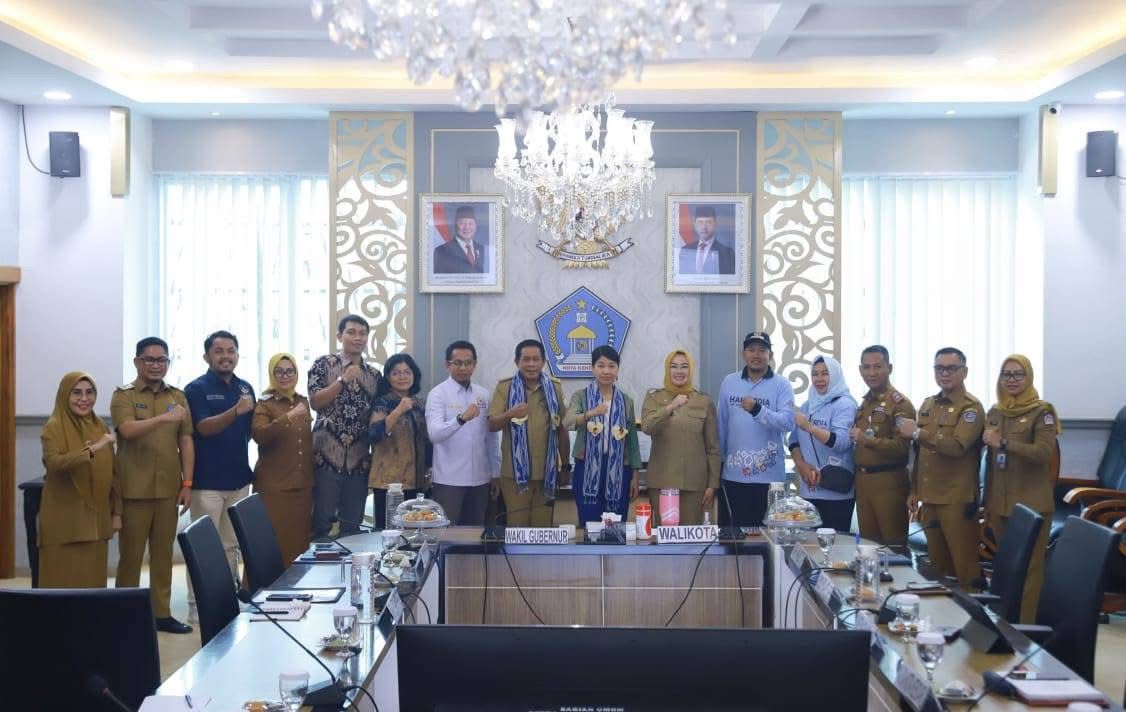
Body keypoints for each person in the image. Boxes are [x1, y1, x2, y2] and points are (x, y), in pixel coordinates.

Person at [112, 337, 195, 634]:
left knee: (163, 557)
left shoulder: (178, 396)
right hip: (134, 489)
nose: (156, 365)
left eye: (162, 360)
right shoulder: (124, 395)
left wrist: (187, 482)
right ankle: (123, 615)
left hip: (168, 490)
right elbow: (127, 429)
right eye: (149, 359)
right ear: (137, 362)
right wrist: (164, 418)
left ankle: (161, 614)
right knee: (131, 558)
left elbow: (185, 439)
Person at [897, 347, 985, 585]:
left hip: (956, 498)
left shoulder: (971, 408)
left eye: (951, 368)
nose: (944, 373)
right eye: (939, 368)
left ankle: (973, 608)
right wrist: (914, 490)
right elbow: (920, 453)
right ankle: (943, 607)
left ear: (964, 372)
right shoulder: (929, 404)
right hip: (930, 497)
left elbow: (957, 447)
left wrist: (918, 432)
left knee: (964, 565)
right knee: (937, 566)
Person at [983, 354, 1059, 622]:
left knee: (1030, 570)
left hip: (1032, 504)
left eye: (1018, 374)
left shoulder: (1042, 412)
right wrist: (986, 501)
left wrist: (1005, 443)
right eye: (1007, 374)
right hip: (1000, 504)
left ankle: (1026, 629)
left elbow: (1043, 453)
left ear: (1029, 377)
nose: (1012, 380)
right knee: (1006, 566)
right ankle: (1006, 623)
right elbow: (990, 463)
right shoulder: (996, 411)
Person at [184, 330, 255, 616]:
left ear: (237, 355)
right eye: (219, 351)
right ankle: (197, 605)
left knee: (230, 545)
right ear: (207, 356)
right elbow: (203, 428)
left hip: (239, 479)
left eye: (230, 351)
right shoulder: (196, 389)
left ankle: (226, 602)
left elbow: (249, 432)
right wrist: (235, 411)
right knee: (203, 546)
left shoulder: (245, 388)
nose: (226, 356)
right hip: (207, 483)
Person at [39, 372, 121, 588]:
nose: (84, 399)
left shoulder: (100, 426)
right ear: (65, 395)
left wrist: (117, 513)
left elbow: (113, 473)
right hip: (64, 522)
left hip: (97, 522)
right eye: (76, 393)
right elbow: (54, 464)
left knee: (92, 586)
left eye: (89, 392)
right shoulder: (53, 427)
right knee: (60, 586)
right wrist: (93, 449)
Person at [308, 315, 382, 540]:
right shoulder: (323, 364)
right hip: (325, 458)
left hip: (359, 460)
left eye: (363, 333)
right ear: (340, 336)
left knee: (352, 527)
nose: (358, 338)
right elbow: (315, 402)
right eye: (351, 332)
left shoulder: (374, 375)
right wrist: (342, 380)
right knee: (321, 525)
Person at [488, 339, 569, 527]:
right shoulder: (505, 388)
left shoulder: (554, 388)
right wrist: (510, 414)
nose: (531, 364)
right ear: (517, 362)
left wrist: (565, 466)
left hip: (547, 474)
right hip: (514, 476)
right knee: (517, 527)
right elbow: (492, 425)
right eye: (526, 359)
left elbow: (561, 429)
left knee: (542, 529)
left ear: (543, 362)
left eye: (536, 359)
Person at [717, 332, 795, 527]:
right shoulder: (729, 382)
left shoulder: (782, 385)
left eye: (762, 350)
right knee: (732, 537)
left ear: (771, 355)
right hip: (733, 477)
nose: (756, 355)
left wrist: (758, 410)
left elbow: (787, 422)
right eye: (751, 350)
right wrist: (718, 465)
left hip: (770, 481)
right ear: (743, 354)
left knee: (768, 538)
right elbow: (721, 426)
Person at [640, 350, 721, 526]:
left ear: (690, 370)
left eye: (684, 366)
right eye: (674, 366)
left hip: (695, 484)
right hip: (662, 482)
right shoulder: (654, 397)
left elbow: (712, 447)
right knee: (664, 537)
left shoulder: (704, 401)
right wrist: (670, 407)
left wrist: (712, 484)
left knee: (690, 538)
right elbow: (647, 427)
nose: (679, 371)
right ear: (667, 369)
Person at [425, 340, 500, 526]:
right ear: (447, 365)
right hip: (449, 480)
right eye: (457, 363)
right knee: (447, 533)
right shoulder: (438, 394)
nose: (463, 368)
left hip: (481, 479)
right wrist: (460, 419)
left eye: (468, 363)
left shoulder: (483, 394)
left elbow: (491, 437)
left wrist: (495, 472)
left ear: (475, 364)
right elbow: (434, 434)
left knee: (475, 533)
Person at [566, 345, 642, 525]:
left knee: (615, 525)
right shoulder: (581, 396)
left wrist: (635, 476)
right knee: (589, 524)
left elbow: (632, 441)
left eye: (611, 366)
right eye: (601, 365)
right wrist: (590, 413)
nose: (606, 371)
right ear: (592, 368)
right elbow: (567, 421)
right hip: (586, 467)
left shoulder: (626, 401)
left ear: (617, 369)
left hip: (619, 470)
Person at [251, 353, 314, 564]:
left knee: (299, 542)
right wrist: (287, 417)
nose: (285, 376)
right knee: (271, 541)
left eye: (290, 371)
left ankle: (297, 584)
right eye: (279, 371)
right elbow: (260, 435)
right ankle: (265, 584)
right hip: (274, 486)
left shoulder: (303, 401)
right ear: (272, 374)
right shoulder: (265, 403)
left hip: (302, 485)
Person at [850, 345, 916, 545]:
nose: (871, 372)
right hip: (863, 482)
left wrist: (867, 440)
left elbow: (901, 448)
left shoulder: (900, 404)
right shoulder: (865, 403)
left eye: (877, 366)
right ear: (860, 370)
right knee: (868, 548)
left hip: (889, 483)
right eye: (866, 367)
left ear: (890, 368)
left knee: (893, 548)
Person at [790, 356, 858, 532]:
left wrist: (810, 427)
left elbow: (841, 442)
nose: (819, 379)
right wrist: (801, 465)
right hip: (809, 490)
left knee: (834, 545)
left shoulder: (845, 404)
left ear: (835, 375)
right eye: (815, 374)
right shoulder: (807, 406)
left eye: (825, 373)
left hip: (837, 493)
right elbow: (793, 440)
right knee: (809, 545)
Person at [369, 353, 430, 528]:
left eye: (407, 372)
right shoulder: (382, 403)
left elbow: (427, 440)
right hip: (390, 485)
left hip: (418, 480)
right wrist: (398, 410)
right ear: (388, 377)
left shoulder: (420, 404)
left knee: (415, 530)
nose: (402, 377)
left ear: (414, 375)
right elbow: (374, 434)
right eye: (396, 373)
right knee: (389, 530)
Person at [678, 205, 736, 275]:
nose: (704, 227)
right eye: (700, 222)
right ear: (695, 225)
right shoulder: (685, 250)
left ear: (715, 224)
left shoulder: (727, 253)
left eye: (708, 222)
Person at [433, 205, 488, 274]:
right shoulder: (441, 251)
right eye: (462, 223)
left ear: (475, 226)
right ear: (455, 225)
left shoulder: (482, 249)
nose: (467, 227)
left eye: (470, 223)